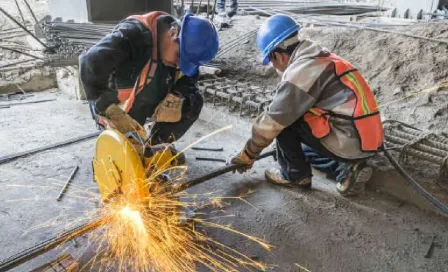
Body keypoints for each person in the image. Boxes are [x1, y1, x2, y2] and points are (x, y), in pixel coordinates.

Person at [230, 15, 384, 195]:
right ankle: (347, 169)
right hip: (366, 139)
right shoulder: (322, 57)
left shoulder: (302, 71)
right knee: (304, 151)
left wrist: (249, 153)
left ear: (277, 55)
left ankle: (295, 176)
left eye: (271, 61)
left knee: (285, 123)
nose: (274, 66)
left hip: (348, 138)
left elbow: (273, 121)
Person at [80, 12, 219, 145]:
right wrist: (107, 107)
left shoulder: (182, 50)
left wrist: (179, 93)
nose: (178, 65)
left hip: (149, 99)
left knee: (193, 101)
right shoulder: (134, 35)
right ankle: (120, 140)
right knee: (126, 153)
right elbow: (90, 61)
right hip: (121, 109)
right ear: (173, 33)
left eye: (185, 63)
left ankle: (154, 147)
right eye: (178, 57)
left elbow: (190, 76)